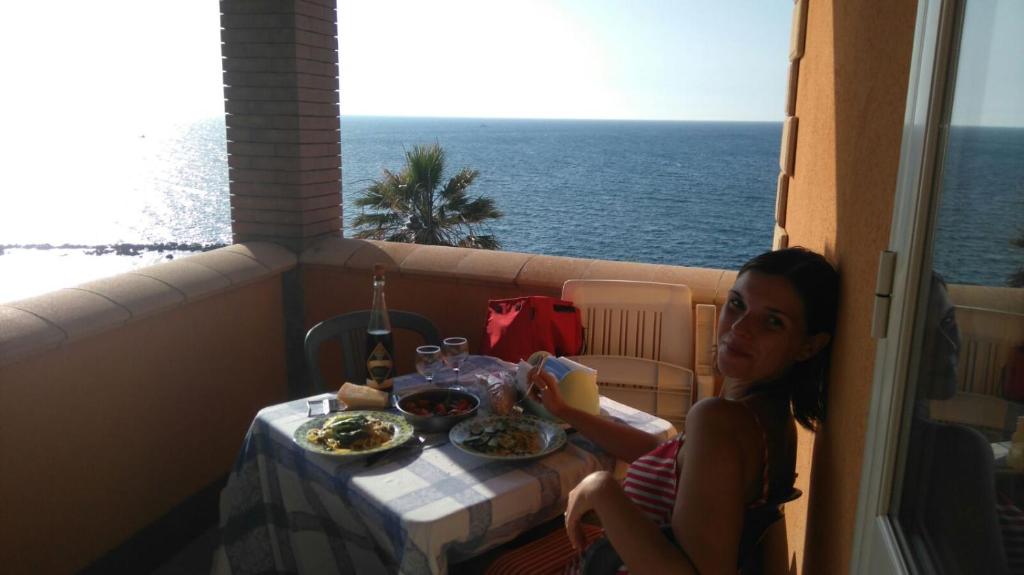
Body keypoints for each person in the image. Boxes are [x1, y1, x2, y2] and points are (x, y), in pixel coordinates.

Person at [485, 247, 840, 575]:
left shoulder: (719, 420)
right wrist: (566, 411)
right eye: (737, 304)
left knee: (499, 562)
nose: (740, 328)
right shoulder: (767, 416)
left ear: (809, 346)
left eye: (773, 321)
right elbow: (675, 460)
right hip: (620, 554)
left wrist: (600, 488)